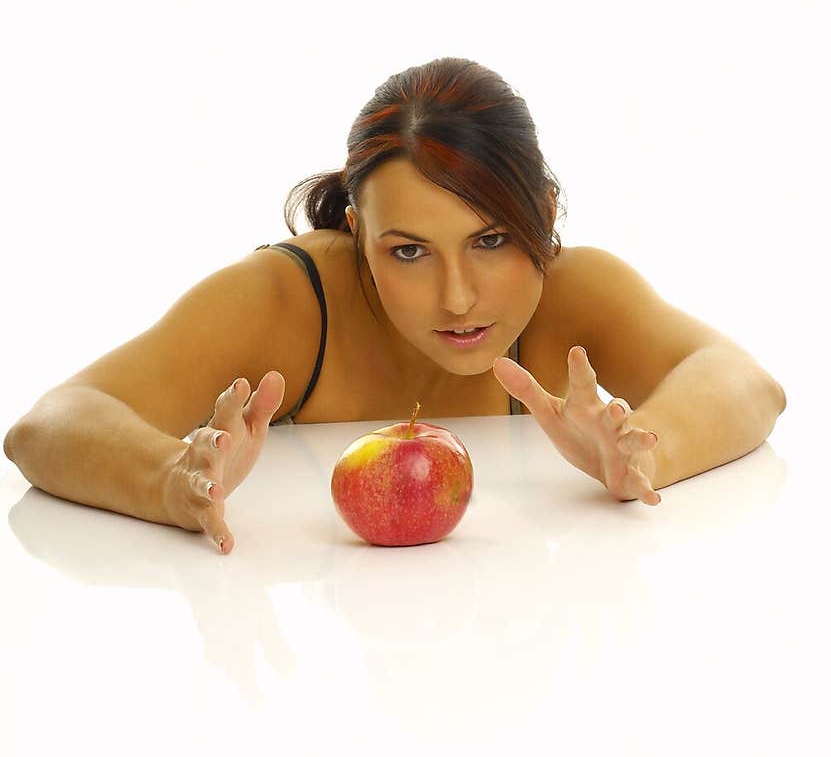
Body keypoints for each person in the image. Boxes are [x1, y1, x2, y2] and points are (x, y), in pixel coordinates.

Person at [3, 57, 786, 555]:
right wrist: (171, 479)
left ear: (545, 214)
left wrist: (644, 458)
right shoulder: (289, 303)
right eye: (407, 251)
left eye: (492, 240)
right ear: (356, 228)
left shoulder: (572, 293)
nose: (458, 297)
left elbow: (747, 382)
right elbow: (48, 424)